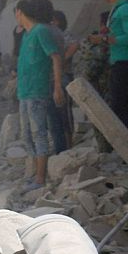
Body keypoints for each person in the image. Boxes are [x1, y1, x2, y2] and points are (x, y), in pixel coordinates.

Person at [14, 0, 63, 190]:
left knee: (39, 133)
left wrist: (57, 86)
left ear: (20, 12)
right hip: (24, 92)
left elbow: (56, 57)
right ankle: (35, 174)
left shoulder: (41, 31)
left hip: (38, 91)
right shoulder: (27, 34)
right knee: (26, 135)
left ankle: (40, 179)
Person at [90, 0, 128, 130]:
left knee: (120, 106)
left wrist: (105, 39)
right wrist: (106, 33)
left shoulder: (124, 9)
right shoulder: (117, 9)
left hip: (124, 63)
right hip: (118, 61)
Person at [75, 12, 112, 152]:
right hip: (106, 87)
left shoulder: (107, 42)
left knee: (102, 119)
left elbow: (92, 67)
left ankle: (107, 151)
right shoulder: (112, 40)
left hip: (105, 88)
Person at [47, 10, 73, 153]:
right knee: (54, 116)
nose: (52, 23)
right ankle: (60, 148)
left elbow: (74, 46)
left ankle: (69, 145)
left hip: (64, 76)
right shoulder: (51, 35)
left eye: (54, 20)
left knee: (65, 113)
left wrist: (60, 61)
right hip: (53, 77)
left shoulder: (65, 34)